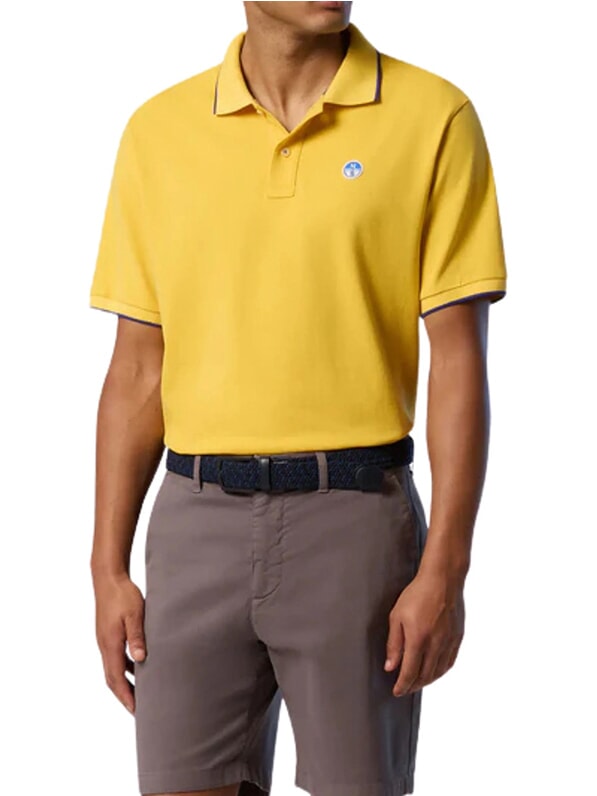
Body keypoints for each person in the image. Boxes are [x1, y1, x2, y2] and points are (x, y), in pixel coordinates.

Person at [89, 2, 507, 795]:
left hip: (354, 524)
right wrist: (105, 567)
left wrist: (445, 569)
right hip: (193, 526)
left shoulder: (433, 117)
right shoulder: (158, 132)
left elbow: (458, 361)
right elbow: (137, 369)